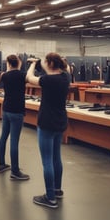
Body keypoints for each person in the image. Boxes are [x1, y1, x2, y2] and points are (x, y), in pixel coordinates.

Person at [26, 53, 70, 209]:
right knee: (56, 157)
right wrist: (40, 62)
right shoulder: (65, 77)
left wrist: (32, 64)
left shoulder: (48, 80)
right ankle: (57, 189)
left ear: (50, 63)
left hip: (47, 122)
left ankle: (50, 197)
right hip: (60, 121)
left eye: (45, 61)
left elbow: (29, 78)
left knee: (47, 161)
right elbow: (62, 67)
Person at [0, 54, 30, 180]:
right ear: (18, 63)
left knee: (3, 136)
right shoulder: (23, 75)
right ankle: (15, 171)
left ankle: (2, 164)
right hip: (17, 110)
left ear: (8, 63)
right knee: (14, 141)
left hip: (6, 109)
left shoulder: (5, 75)